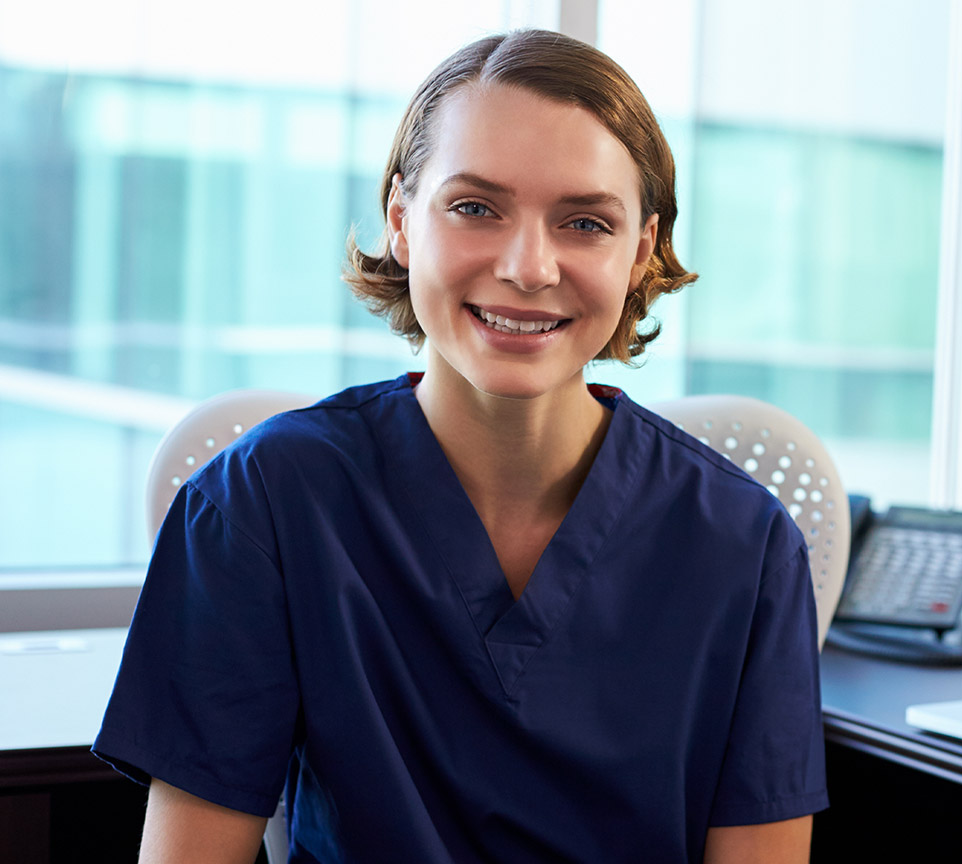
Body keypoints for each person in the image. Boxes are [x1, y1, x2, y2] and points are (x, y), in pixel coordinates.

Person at [93, 29, 827, 863]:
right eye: (476, 208)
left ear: (642, 252)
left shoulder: (746, 546)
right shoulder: (261, 503)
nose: (528, 266)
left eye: (585, 223)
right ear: (403, 222)